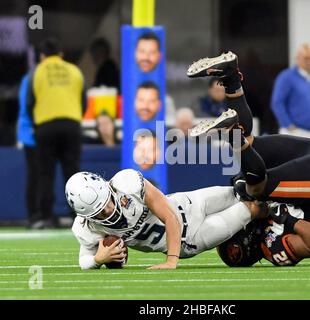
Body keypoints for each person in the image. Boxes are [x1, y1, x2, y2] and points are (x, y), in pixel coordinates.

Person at [187, 51, 310, 266]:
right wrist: (285, 218)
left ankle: (231, 78)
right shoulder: (276, 248)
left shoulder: (261, 216)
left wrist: (240, 184)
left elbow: (244, 179)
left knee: (248, 154)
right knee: (256, 186)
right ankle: (233, 133)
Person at [65, 170, 267, 270]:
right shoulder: (87, 227)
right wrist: (98, 260)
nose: (109, 210)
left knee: (248, 190)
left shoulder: (127, 182)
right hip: (189, 240)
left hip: (190, 202)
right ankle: (286, 220)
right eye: (100, 212)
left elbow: (169, 215)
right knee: (252, 209)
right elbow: (84, 261)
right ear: (87, 216)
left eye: (108, 201)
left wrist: (170, 261)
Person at [27, 38, 85, 228]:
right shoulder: (75, 71)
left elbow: (30, 102)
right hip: (71, 125)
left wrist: (38, 123)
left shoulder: (36, 72)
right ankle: (77, 217)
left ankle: (46, 217)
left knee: (45, 174)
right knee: (73, 173)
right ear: (61, 54)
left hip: (45, 127)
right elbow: (83, 101)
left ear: (42, 56)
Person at [271, 43, 310, 140]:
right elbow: (277, 102)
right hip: (294, 133)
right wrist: (288, 124)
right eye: (306, 58)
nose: (309, 61)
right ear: (298, 58)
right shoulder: (286, 77)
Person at [17, 74, 41, 229]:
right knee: (35, 175)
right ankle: (33, 215)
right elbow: (28, 103)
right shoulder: (31, 78)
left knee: (43, 176)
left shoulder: (33, 77)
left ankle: (43, 215)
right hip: (31, 133)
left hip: (41, 132)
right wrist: (36, 124)